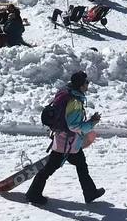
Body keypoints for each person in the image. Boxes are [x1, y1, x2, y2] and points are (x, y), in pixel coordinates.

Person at [26, 70, 104, 206]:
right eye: (86, 82)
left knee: (81, 165)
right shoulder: (74, 101)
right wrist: (92, 123)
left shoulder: (69, 94)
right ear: (81, 85)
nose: (88, 84)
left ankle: (90, 192)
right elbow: (73, 125)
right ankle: (33, 194)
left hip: (68, 141)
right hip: (67, 143)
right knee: (49, 168)